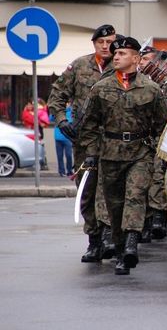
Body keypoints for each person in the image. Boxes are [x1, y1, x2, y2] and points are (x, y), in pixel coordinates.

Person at [79, 36, 167, 275]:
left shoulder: (151, 89)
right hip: (110, 153)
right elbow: (88, 125)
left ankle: (131, 242)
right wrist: (91, 153)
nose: (116, 57)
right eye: (115, 54)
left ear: (136, 58)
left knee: (135, 195)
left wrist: (163, 154)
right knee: (115, 205)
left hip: (140, 153)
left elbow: (164, 124)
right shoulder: (101, 88)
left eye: (122, 54)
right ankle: (120, 251)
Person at [48, 24, 117, 263]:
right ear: (94, 44)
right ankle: (94, 240)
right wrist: (61, 121)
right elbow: (56, 96)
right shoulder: (79, 66)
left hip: (113, 139)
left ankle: (110, 235)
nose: (106, 47)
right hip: (84, 139)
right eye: (102, 42)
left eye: (110, 42)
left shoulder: (121, 66)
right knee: (87, 189)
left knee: (107, 189)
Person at [50, 103, 74, 177]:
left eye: (67, 103)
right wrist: (53, 111)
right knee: (59, 156)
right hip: (58, 137)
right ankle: (61, 171)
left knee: (69, 155)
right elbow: (50, 119)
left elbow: (72, 122)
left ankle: (69, 171)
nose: (66, 104)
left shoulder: (71, 112)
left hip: (67, 138)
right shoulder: (58, 112)